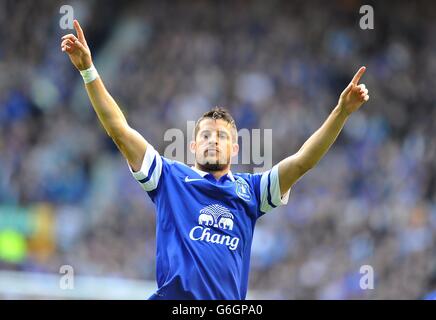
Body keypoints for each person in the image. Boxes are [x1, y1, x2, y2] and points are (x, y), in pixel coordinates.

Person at [61, 20, 370, 300]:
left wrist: (341, 112)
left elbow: (303, 162)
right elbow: (119, 130)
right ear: (194, 145)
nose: (213, 142)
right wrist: (89, 71)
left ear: (234, 149)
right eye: (206, 136)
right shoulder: (169, 178)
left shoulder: (252, 192)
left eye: (222, 137)